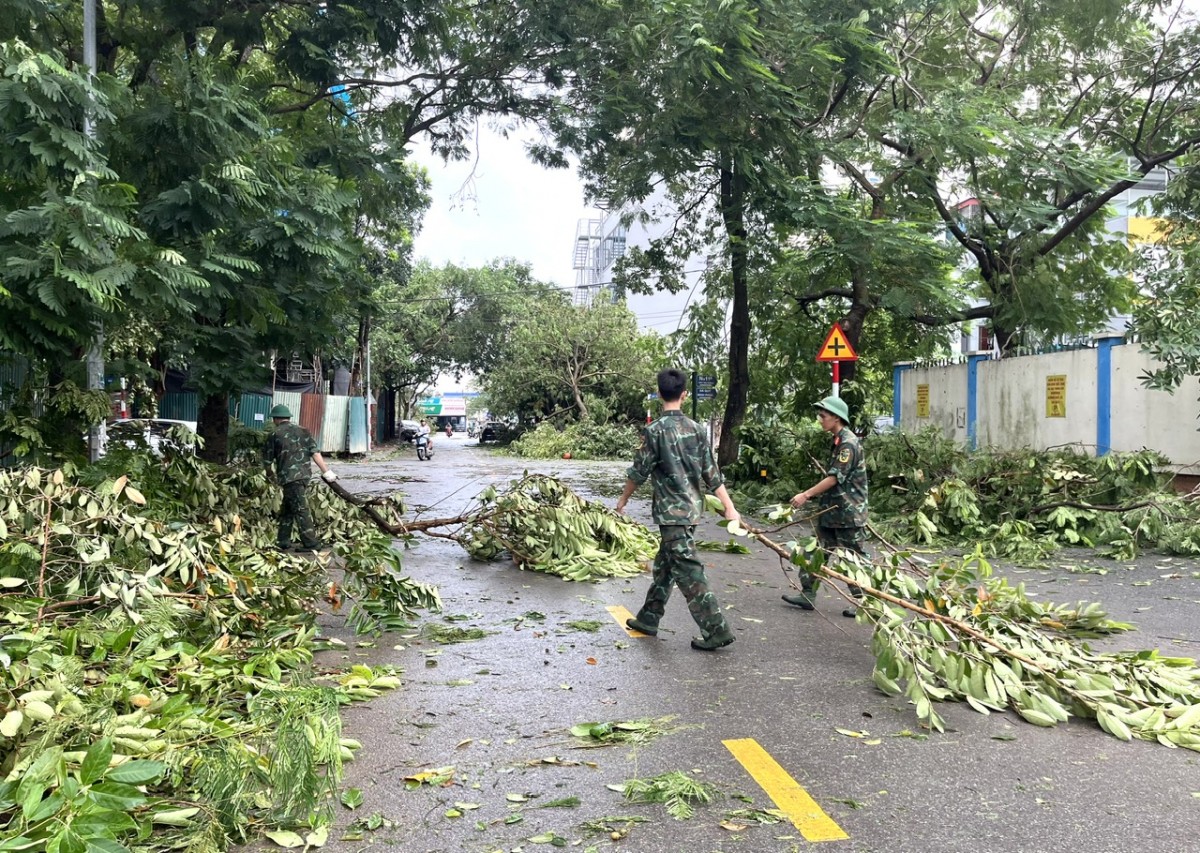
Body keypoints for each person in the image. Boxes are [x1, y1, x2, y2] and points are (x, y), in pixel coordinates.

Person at [615, 368, 740, 651]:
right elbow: (712, 473)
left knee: (688, 570)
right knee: (666, 565)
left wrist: (622, 501)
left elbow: (638, 472)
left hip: (671, 515)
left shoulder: (654, 431)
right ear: (685, 395)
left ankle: (716, 629)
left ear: (659, 394)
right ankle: (649, 617)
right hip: (691, 512)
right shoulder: (697, 430)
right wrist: (730, 507)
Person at [783, 395, 869, 617]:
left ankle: (866, 603)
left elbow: (834, 478)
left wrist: (806, 495)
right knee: (815, 551)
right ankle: (807, 594)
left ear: (836, 418)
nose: (819, 420)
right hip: (833, 510)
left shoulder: (848, 444)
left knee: (854, 557)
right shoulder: (839, 441)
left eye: (823, 416)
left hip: (849, 513)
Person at [263, 404, 337, 551]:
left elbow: (267, 461)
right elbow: (315, 453)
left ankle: (311, 544)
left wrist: (270, 477)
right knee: (288, 509)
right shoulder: (304, 431)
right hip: (304, 476)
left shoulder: (274, 434)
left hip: (289, 478)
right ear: (289, 417)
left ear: (276, 419)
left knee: (301, 509)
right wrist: (326, 472)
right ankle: (283, 540)